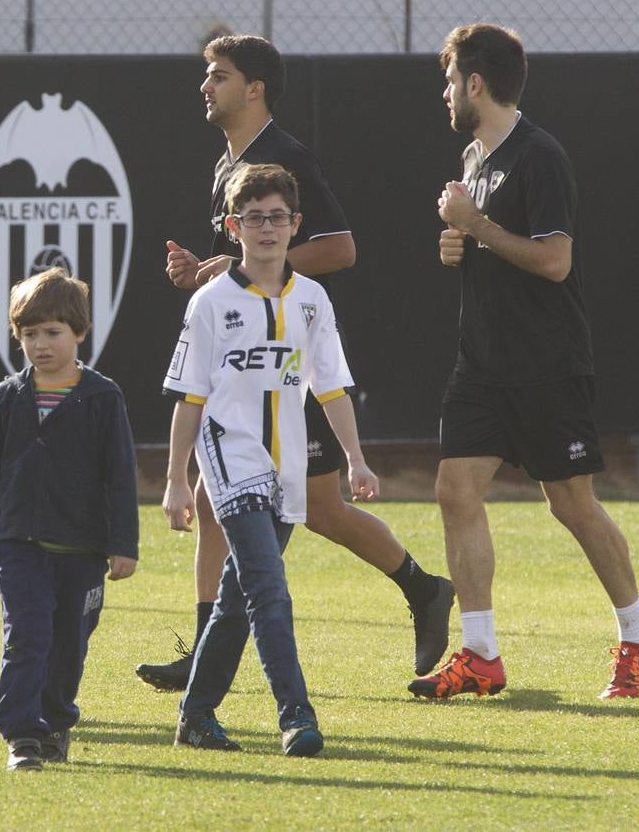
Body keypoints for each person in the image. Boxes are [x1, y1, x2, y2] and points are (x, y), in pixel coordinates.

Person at [140, 34, 454, 690]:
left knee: (318, 508)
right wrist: (201, 275)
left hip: (286, 363)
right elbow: (241, 272)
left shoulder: (285, 158)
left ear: (253, 88)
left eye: (217, 76)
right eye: (207, 75)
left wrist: (246, 266)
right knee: (211, 490)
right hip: (240, 365)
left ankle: (424, 589)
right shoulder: (228, 165)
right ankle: (204, 648)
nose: (205, 87)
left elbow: (340, 249)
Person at [413, 24, 639, 700]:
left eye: (448, 82)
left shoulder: (538, 154)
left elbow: (553, 262)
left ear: (474, 83)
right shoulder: (474, 156)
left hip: (545, 364)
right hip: (481, 366)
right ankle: (479, 654)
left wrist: (474, 228)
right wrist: (460, 247)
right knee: (453, 490)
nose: (443, 95)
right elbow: (493, 249)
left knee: (572, 507)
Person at [164, 163, 375, 757]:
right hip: (229, 456)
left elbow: (331, 388)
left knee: (238, 596)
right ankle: (296, 716)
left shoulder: (312, 300)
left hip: (288, 468)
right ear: (233, 226)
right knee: (269, 589)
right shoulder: (209, 302)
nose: (266, 229)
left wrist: (356, 460)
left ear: (296, 224)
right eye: (253, 218)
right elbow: (188, 398)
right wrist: (177, 480)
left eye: (277, 217)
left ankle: (196, 715)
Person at [0, 268, 139, 771]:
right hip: (20, 543)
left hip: (83, 549)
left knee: (68, 644)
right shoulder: (6, 397)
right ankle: (22, 736)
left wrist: (124, 543)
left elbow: (120, 475)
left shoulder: (103, 397)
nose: (41, 344)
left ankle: (56, 722)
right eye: (29, 334)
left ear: (79, 332)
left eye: (53, 333)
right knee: (27, 633)